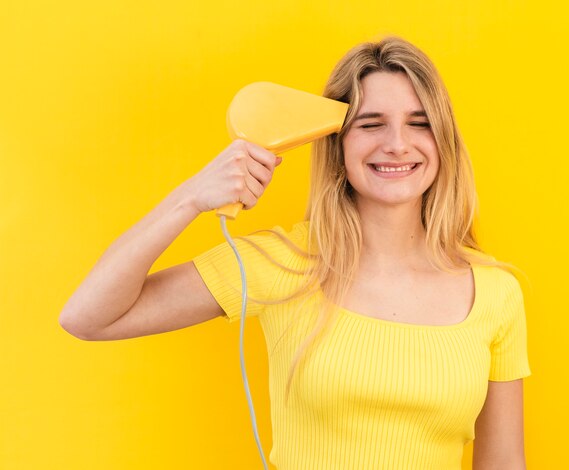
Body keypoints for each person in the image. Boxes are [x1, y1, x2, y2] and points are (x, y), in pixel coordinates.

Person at [60, 36, 531, 470]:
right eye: (371, 123)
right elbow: (88, 317)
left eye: (419, 123)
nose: (397, 144)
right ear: (338, 142)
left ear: (443, 141)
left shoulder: (493, 292)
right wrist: (190, 198)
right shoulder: (282, 262)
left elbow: (504, 462)